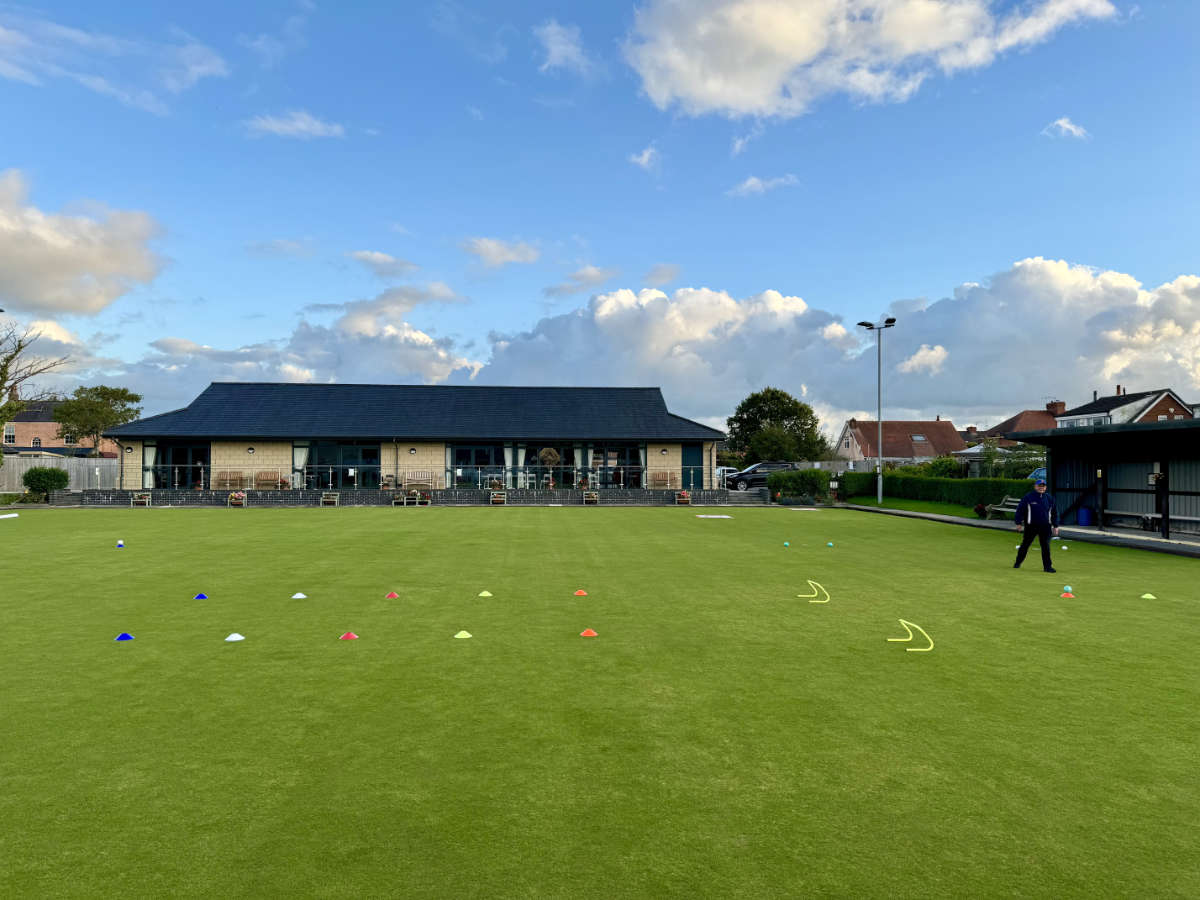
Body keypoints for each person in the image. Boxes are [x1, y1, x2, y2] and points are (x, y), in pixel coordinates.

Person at [1013, 479, 1059, 572]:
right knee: (1025, 545)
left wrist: (1056, 525)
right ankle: (1018, 563)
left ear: (1045, 487)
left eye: (1043, 486)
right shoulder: (1028, 497)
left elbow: (1054, 513)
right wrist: (1018, 523)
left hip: (1046, 526)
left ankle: (1047, 567)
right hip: (1031, 526)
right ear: (1035, 487)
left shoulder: (1049, 498)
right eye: (1039, 486)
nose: (1041, 487)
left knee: (1046, 546)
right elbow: (1020, 510)